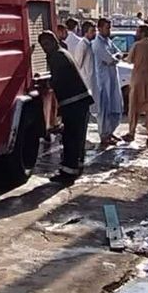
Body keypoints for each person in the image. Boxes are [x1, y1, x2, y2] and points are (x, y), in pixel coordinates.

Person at [39, 32, 94, 183]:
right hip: (79, 101)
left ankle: (68, 172)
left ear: (54, 42)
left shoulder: (57, 57)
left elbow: (57, 81)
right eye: (42, 45)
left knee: (71, 137)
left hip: (74, 102)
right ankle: (77, 166)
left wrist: (44, 83)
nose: (45, 48)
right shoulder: (62, 53)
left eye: (47, 44)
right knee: (77, 137)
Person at [92, 18, 124, 147]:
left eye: (109, 28)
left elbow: (119, 53)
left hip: (112, 79)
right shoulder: (97, 44)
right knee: (104, 109)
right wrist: (115, 57)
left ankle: (110, 132)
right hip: (103, 82)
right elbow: (110, 59)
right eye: (107, 28)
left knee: (115, 106)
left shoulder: (108, 41)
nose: (109, 30)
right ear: (99, 28)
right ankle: (104, 135)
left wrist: (115, 57)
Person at [74, 20, 99, 130]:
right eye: (92, 31)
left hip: (91, 80)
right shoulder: (82, 45)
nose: (95, 33)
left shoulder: (89, 45)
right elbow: (78, 64)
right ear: (85, 32)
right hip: (85, 81)